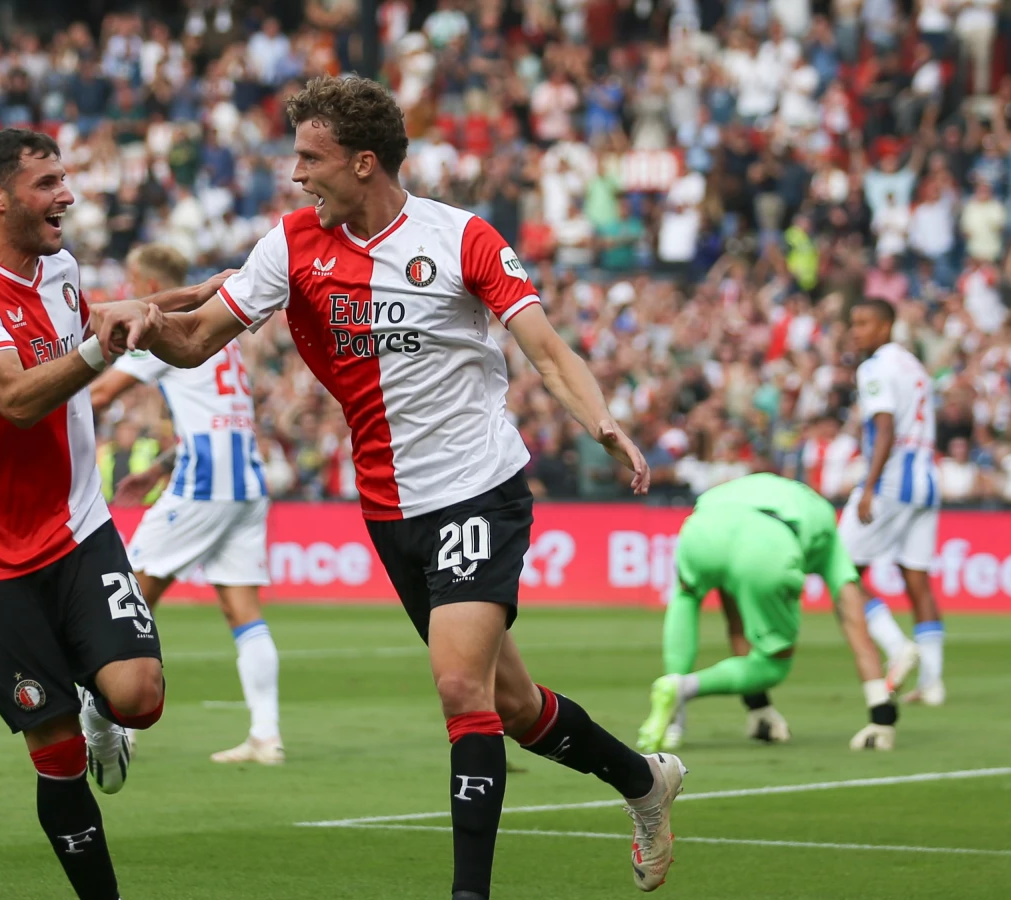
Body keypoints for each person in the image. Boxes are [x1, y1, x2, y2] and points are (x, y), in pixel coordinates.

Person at [133, 76, 685, 897]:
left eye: (310, 158)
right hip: (390, 507)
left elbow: (547, 348)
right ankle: (643, 781)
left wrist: (599, 421)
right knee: (517, 704)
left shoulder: (460, 238)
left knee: (460, 688)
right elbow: (197, 339)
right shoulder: (290, 246)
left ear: (363, 163)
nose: (295, 173)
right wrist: (139, 327)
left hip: (477, 489)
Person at [0, 128, 224, 900]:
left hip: (77, 526)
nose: (67, 196)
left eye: (64, 179)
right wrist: (100, 349)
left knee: (139, 697)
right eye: (48, 183)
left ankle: (102, 711)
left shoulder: (62, 272)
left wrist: (230, 290)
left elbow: (114, 320)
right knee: (53, 752)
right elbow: (14, 397)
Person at [89, 243, 282, 765]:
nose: (129, 293)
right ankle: (266, 736)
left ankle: (116, 729)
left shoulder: (158, 328)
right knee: (241, 609)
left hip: (205, 485)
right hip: (245, 482)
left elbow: (100, 395)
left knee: (126, 597)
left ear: (150, 287)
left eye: (132, 282)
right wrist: (161, 465)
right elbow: (217, 416)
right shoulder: (222, 331)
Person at [635, 473, 905, 754]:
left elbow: (736, 621)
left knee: (687, 598)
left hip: (701, 526)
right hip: (769, 540)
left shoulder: (749, 487)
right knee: (774, 662)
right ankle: (683, 687)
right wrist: (881, 715)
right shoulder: (825, 522)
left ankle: (675, 720)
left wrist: (758, 708)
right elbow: (854, 621)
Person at [841, 298, 941, 705]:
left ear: (885, 326)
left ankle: (896, 647)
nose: (856, 330)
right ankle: (933, 684)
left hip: (892, 481)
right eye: (853, 322)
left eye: (863, 322)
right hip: (927, 480)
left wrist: (869, 486)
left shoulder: (875, 367)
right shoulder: (913, 364)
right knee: (916, 578)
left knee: (840, 571)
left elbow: (884, 428)